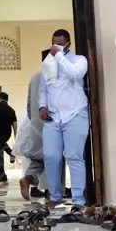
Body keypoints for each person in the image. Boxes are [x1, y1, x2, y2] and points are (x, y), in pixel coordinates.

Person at [38, 29, 90, 208]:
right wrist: (42, 106)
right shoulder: (47, 63)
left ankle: (78, 200)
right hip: (53, 118)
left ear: (68, 43)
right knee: (51, 156)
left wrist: (59, 56)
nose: (55, 46)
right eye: (53, 43)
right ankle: (55, 196)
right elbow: (43, 89)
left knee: (74, 157)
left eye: (59, 43)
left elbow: (76, 74)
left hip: (75, 114)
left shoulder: (79, 60)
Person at [18, 49, 50, 200]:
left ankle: (29, 178)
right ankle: (54, 192)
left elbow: (29, 105)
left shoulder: (34, 77)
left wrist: (34, 122)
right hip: (52, 122)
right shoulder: (55, 76)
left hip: (37, 123)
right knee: (56, 157)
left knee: (39, 158)